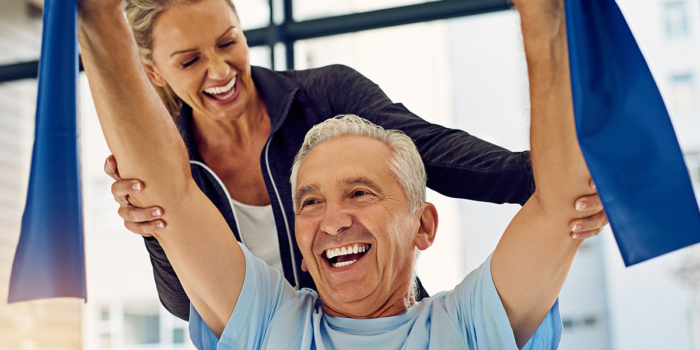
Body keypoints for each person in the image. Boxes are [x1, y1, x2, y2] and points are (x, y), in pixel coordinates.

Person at [79, 0, 601, 347]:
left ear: (424, 225)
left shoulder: (462, 328)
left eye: (358, 191)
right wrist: (95, 21)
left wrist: (543, 180)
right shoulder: (272, 324)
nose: (332, 221)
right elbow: (171, 205)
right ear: (157, 72)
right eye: (307, 201)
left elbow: (436, 154)